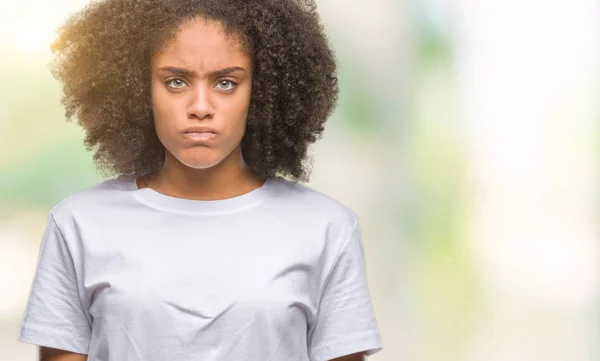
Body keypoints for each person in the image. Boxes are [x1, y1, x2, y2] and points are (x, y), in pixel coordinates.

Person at [16, 0, 384, 360]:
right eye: (176, 81)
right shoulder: (79, 223)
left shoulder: (326, 228)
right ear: (139, 89)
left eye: (226, 83)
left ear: (263, 92)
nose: (201, 107)